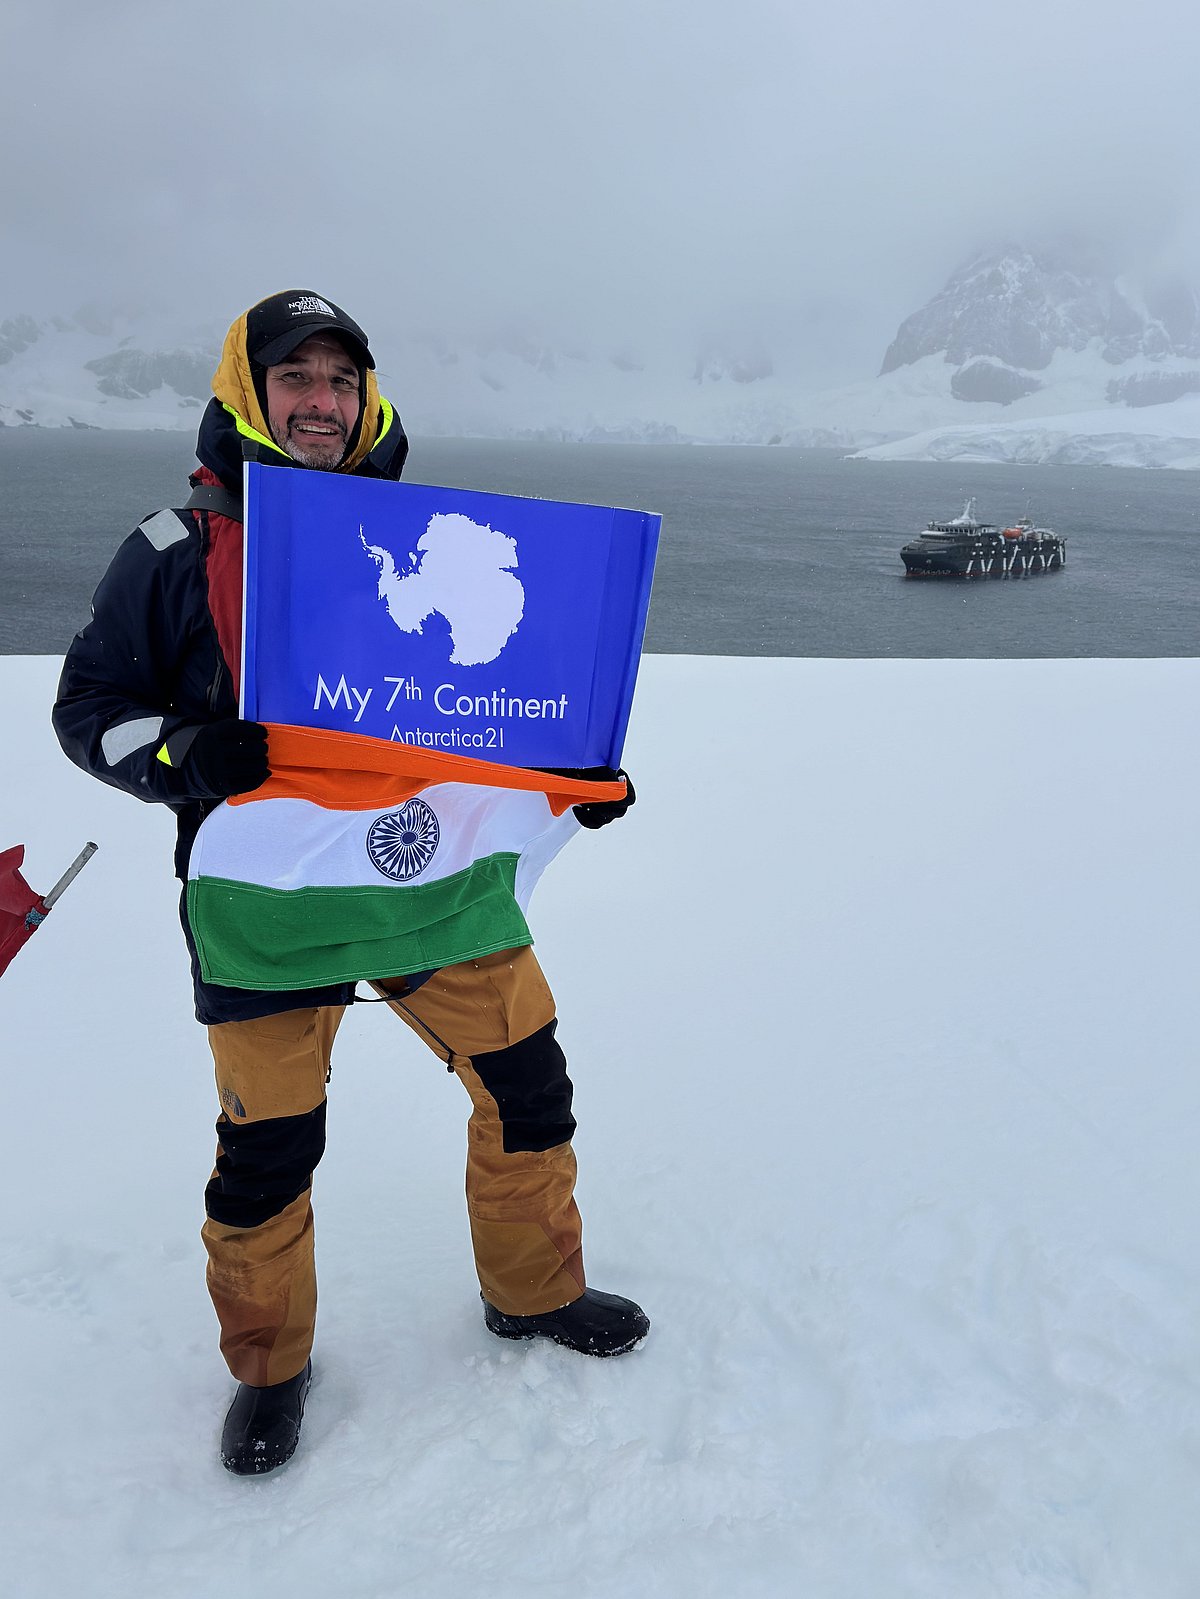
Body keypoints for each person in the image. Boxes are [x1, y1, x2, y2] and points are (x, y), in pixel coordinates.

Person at [52, 289, 647, 1477]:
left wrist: (570, 779)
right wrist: (182, 755)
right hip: (269, 908)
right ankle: (269, 1368)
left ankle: (533, 1292)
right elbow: (89, 711)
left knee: (530, 1096)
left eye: (340, 380)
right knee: (269, 1153)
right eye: (296, 379)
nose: (321, 402)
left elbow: (486, 707)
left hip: (433, 884)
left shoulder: (432, 537)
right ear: (249, 393)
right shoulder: (172, 550)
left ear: (366, 397)